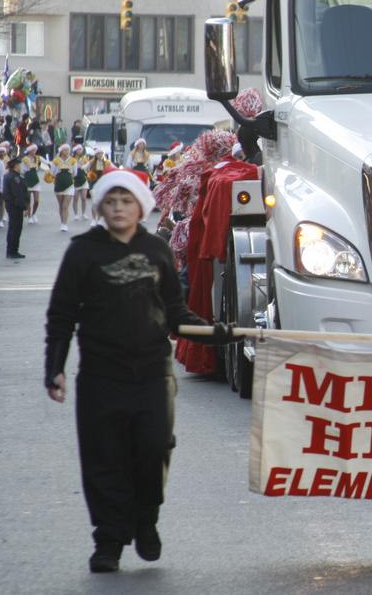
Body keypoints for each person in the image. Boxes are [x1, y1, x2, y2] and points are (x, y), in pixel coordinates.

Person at [44, 168, 239, 573]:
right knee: (104, 460)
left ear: (140, 206)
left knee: (153, 451)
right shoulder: (83, 252)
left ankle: (146, 519)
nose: (118, 209)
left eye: (126, 201)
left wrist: (219, 334)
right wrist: (55, 367)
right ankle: (108, 542)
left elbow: (175, 313)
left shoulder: (156, 250)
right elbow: (62, 314)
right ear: (100, 206)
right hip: (100, 377)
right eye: (111, 202)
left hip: (152, 375)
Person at [2, 157, 29, 259]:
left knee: (13, 228)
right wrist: (24, 207)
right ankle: (12, 251)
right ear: (15, 166)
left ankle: (11, 250)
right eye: (19, 165)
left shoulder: (9, 176)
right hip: (15, 206)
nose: (20, 167)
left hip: (11, 205)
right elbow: (18, 194)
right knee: (15, 229)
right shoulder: (15, 178)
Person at [51, 143, 77, 232]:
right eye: (65, 150)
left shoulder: (73, 160)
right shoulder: (56, 161)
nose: (67, 152)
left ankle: (65, 224)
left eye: (68, 150)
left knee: (65, 206)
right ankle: (62, 222)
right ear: (61, 151)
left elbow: (75, 173)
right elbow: (53, 172)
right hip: (58, 184)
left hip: (69, 185)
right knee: (61, 205)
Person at [21, 144, 44, 223]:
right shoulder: (25, 159)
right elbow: (23, 170)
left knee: (37, 200)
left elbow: (43, 164)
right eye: (33, 150)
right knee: (28, 200)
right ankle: (29, 215)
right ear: (29, 151)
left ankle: (34, 214)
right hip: (27, 179)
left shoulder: (38, 158)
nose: (35, 151)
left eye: (35, 150)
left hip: (35, 180)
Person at [72, 144, 89, 220]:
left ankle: (84, 213)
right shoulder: (72, 159)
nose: (80, 151)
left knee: (84, 198)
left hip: (83, 179)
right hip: (75, 180)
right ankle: (76, 214)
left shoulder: (85, 158)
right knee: (75, 198)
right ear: (75, 151)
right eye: (78, 150)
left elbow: (88, 167)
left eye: (81, 149)